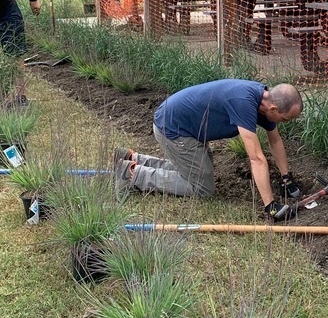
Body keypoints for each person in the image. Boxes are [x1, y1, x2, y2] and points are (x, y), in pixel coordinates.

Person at [114, 80, 303, 218]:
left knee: (197, 171)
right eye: (285, 119)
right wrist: (270, 205)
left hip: (188, 128)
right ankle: (133, 174)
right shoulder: (244, 103)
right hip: (173, 128)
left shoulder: (263, 103)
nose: (285, 123)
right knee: (202, 187)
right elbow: (256, 158)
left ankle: (132, 158)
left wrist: (286, 177)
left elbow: (275, 141)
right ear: (273, 109)